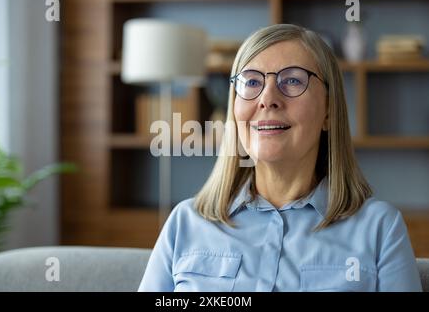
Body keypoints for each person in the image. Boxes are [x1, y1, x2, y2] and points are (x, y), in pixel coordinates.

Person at [138, 24, 422, 292]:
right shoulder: (184, 224)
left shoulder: (380, 229)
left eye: (293, 80)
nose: (267, 98)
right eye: (251, 81)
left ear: (328, 111)